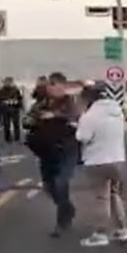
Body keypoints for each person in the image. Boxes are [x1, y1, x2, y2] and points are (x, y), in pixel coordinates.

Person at [25, 72, 81, 236]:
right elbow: (28, 118)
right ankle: (67, 208)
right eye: (49, 84)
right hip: (47, 150)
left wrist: (55, 116)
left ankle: (62, 222)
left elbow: (76, 118)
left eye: (53, 83)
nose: (49, 87)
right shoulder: (42, 103)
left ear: (62, 85)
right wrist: (30, 120)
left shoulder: (71, 102)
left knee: (61, 181)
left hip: (67, 149)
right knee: (48, 186)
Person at [75, 82, 127, 247]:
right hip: (118, 159)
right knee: (115, 194)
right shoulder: (117, 111)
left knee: (101, 197)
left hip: (97, 160)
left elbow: (82, 137)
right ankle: (122, 230)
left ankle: (100, 234)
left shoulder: (90, 115)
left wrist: (79, 121)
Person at [0, 77, 24, 143]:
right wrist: (6, 101)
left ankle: (17, 137)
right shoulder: (2, 90)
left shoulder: (16, 89)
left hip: (14, 109)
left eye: (9, 82)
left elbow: (20, 99)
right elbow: (0, 99)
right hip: (6, 110)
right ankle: (7, 138)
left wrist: (17, 103)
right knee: (6, 124)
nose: (7, 83)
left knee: (16, 124)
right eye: (6, 82)